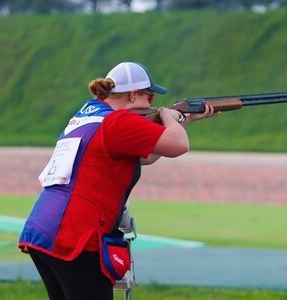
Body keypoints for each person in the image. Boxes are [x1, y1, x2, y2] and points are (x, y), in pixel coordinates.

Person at [18, 61, 219, 300]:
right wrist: (169, 117)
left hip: (46, 230)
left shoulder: (89, 115)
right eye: (149, 97)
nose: (151, 104)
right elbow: (178, 145)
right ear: (133, 95)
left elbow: (149, 153)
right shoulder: (117, 122)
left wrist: (183, 120)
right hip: (77, 236)